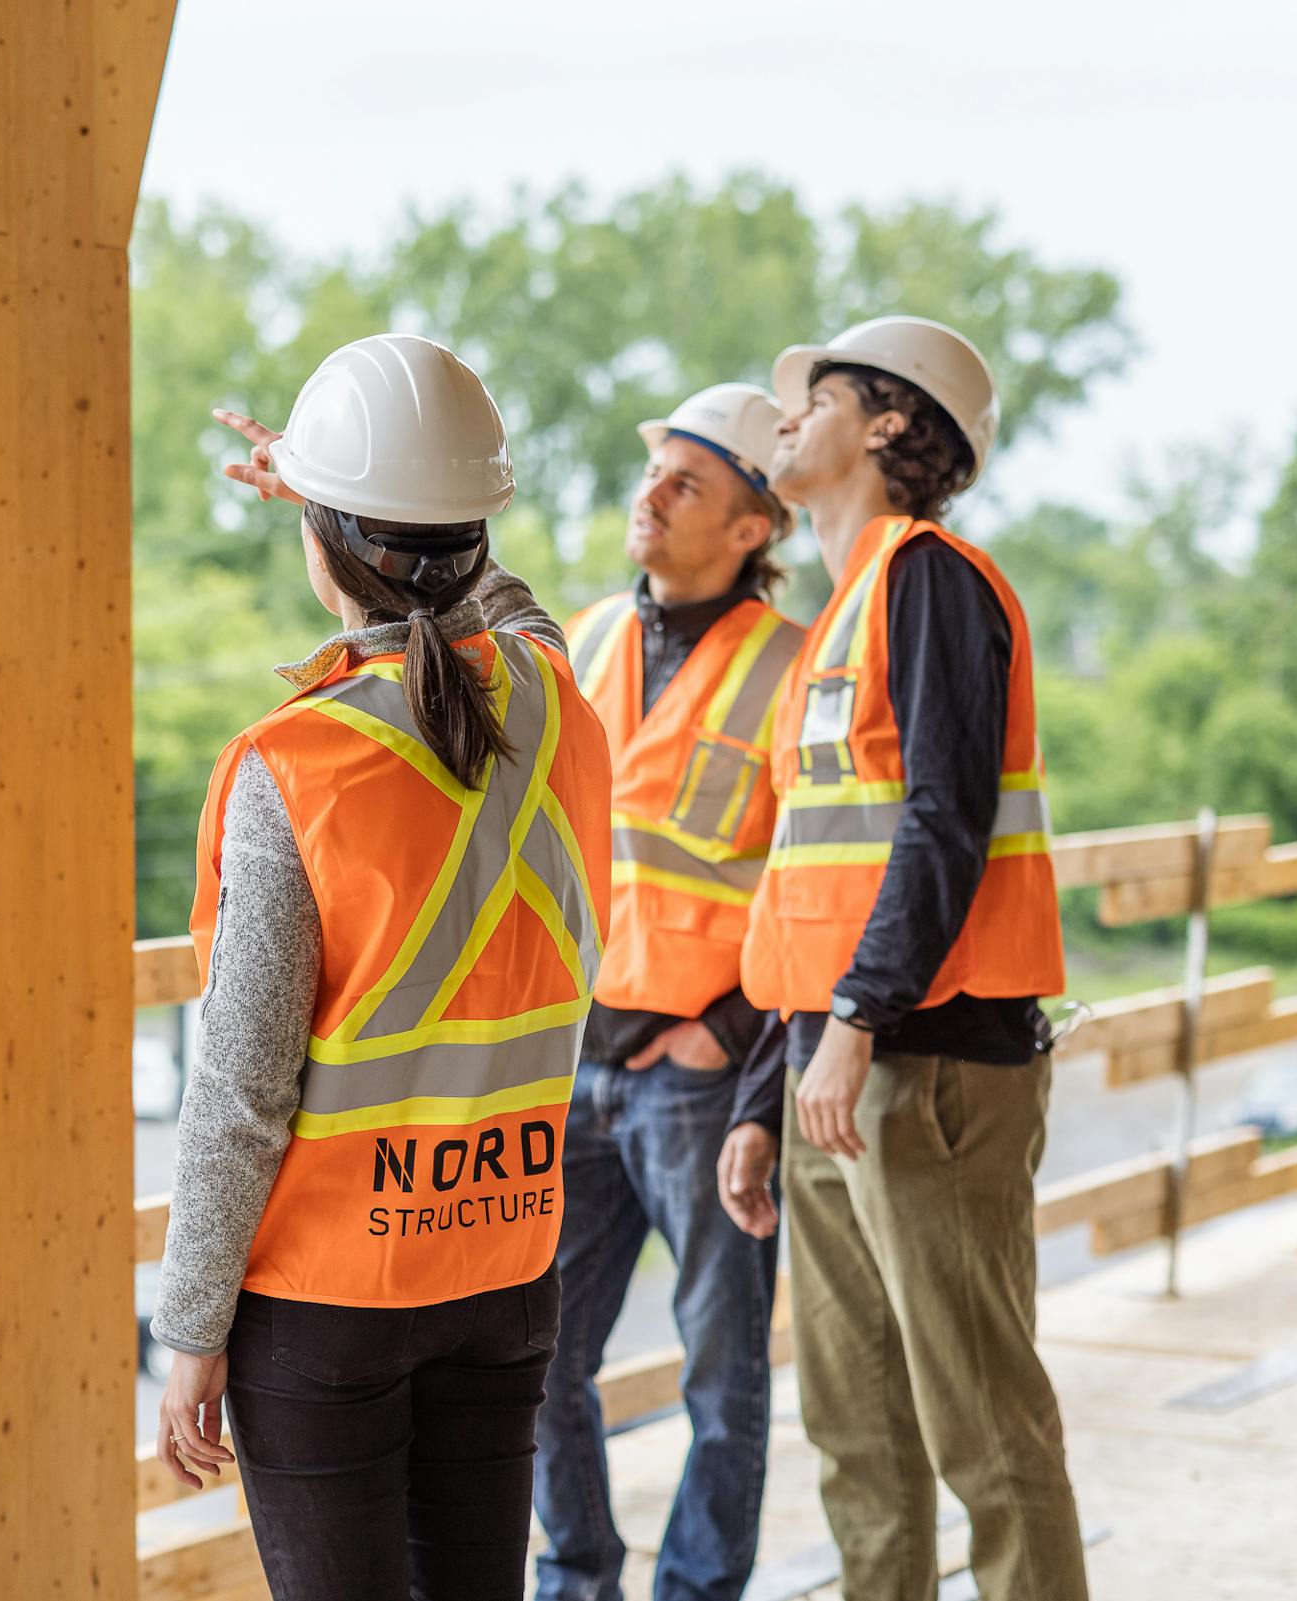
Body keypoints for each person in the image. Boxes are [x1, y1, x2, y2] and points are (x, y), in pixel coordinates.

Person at [148, 333, 613, 1600]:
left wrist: (190, 1330)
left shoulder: (295, 768)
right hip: (506, 1266)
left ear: (327, 546)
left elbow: (241, 1091)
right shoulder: (560, 701)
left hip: (331, 1303)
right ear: (477, 527)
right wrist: (358, 501)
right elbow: (505, 607)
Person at [724, 316, 1085, 1600]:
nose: (782, 419)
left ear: (885, 421)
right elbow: (815, 876)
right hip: (836, 1066)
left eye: (809, 397)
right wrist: (767, 1093)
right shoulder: (837, 618)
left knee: (981, 1427)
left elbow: (945, 814)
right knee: (858, 1435)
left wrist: (860, 1022)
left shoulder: (931, 579)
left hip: (928, 1060)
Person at [534, 383, 802, 1601]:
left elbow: (817, 879)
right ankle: (577, 1577)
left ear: (753, 525)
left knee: (722, 1372)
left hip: (699, 1073)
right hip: (573, 1061)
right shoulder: (584, 639)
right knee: (536, 1354)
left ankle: (697, 1593)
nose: (650, 495)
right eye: (654, 475)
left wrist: (728, 1041)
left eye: (685, 482)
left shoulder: (796, 668)